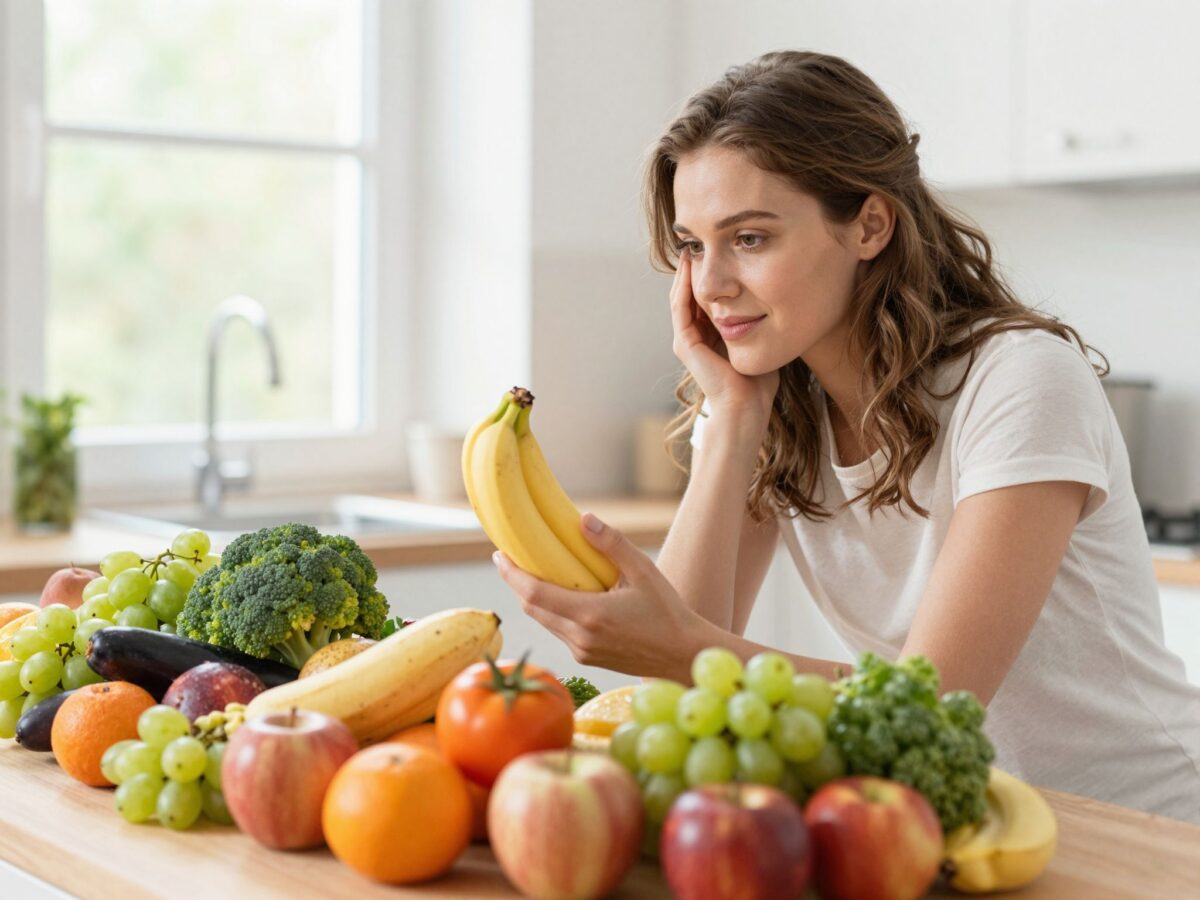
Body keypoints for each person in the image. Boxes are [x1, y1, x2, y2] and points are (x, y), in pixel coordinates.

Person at [493, 50, 1200, 823]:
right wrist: (730, 421)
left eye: (751, 238)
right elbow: (676, 690)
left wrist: (682, 649)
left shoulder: (1020, 381)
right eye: (693, 245)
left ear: (869, 224)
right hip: (946, 820)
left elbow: (931, 711)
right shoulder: (770, 402)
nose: (712, 283)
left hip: (1142, 830)